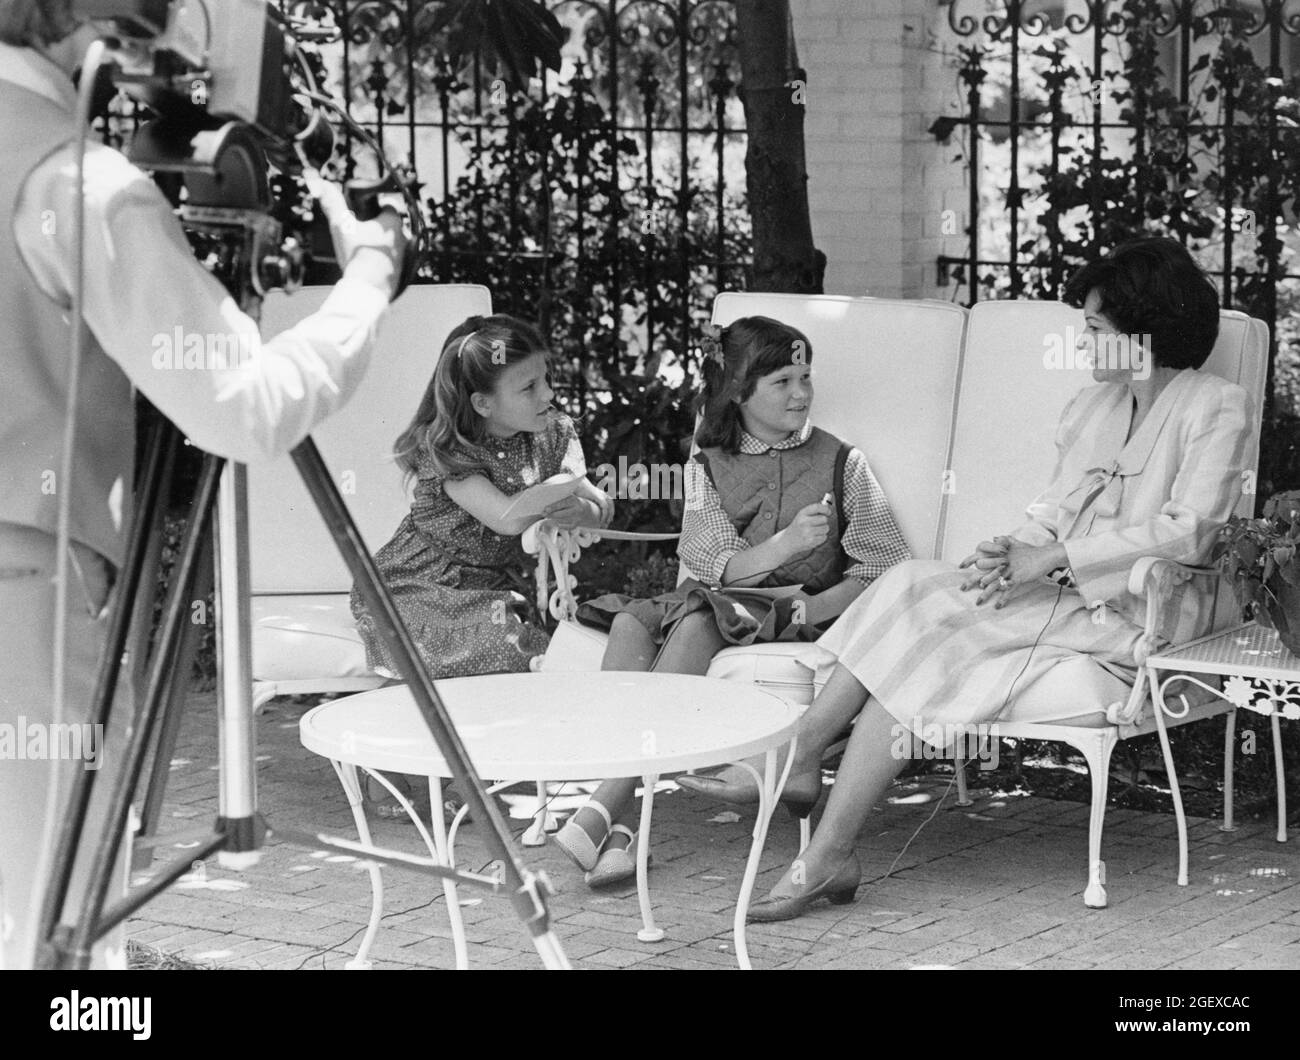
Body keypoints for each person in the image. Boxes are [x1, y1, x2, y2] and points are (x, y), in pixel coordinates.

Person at [679, 236, 1254, 921]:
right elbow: (1051, 513)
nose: (1082, 341)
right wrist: (1014, 547)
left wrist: (1052, 558)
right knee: (918, 584)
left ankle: (805, 779)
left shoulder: (1214, 405)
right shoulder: (1091, 408)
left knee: (932, 630)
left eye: (1095, 329)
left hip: (1139, 608)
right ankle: (821, 821)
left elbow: (1189, 532)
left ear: (1142, 333)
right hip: (1058, 593)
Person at [0, 1, 407, 969]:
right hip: (28, 595)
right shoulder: (79, 187)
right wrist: (368, 280)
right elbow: (244, 405)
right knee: (50, 941)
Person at [554, 315, 911, 887]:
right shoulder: (708, 464)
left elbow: (885, 568)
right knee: (628, 624)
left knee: (697, 623)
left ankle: (605, 805)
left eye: (806, 378)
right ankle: (624, 833)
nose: (801, 393)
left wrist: (811, 607)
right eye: (783, 383)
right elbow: (718, 561)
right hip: (729, 601)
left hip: (801, 614)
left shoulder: (844, 462)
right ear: (739, 392)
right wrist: (788, 541)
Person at [349, 314, 614, 818]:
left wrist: (586, 507)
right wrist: (552, 494)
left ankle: (463, 774)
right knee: (485, 643)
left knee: (519, 646)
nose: (548, 395)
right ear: (483, 403)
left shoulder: (553, 434)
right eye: (529, 386)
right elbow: (506, 518)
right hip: (414, 581)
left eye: (548, 379)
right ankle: (380, 761)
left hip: (484, 588)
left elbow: (598, 500)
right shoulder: (450, 451)